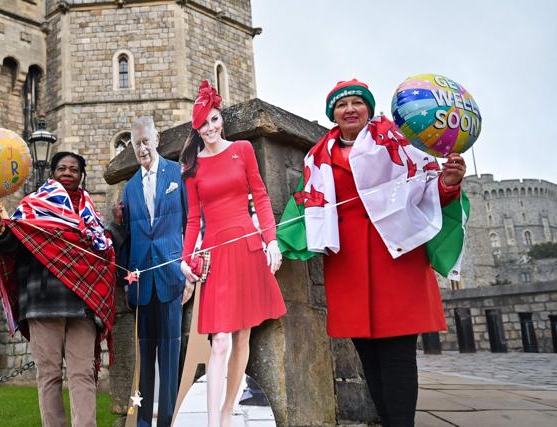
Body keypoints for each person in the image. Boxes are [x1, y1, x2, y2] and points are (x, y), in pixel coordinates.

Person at [277, 79, 468, 427]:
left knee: (397, 357)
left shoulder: (400, 142)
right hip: (348, 268)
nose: (349, 109)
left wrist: (449, 183)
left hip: (396, 261)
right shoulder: (318, 157)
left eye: (356, 102)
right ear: (332, 114)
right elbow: (304, 207)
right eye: (341, 104)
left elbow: (429, 192)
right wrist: (277, 242)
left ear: (368, 108)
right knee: (369, 358)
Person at [178, 80, 287, 427]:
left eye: (213, 120)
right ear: (196, 129)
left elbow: (262, 196)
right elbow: (194, 218)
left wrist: (271, 241)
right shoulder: (192, 169)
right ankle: (214, 421)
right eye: (202, 124)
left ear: (220, 119)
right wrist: (184, 258)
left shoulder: (243, 150)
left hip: (249, 247)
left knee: (242, 335)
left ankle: (227, 411)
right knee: (220, 340)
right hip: (216, 254)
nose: (209, 128)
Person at [0, 151, 118, 427]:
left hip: (83, 303)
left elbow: (103, 254)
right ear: (53, 173)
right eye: (62, 168)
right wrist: (1, 228)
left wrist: (116, 227)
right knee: (49, 374)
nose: (67, 172)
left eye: (73, 169)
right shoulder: (32, 206)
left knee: (83, 373)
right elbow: (14, 248)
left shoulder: (90, 216)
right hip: (43, 299)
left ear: (81, 177)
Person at [115, 116, 191, 427]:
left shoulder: (178, 174)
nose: (143, 148)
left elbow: (192, 224)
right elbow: (130, 237)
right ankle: (144, 422)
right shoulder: (130, 188)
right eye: (137, 144)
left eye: (147, 141)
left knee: (170, 357)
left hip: (173, 277)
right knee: (145, 358)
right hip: (141, 283)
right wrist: (118, 224)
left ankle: (169, 421)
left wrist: (190, 272)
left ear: (157, 139)